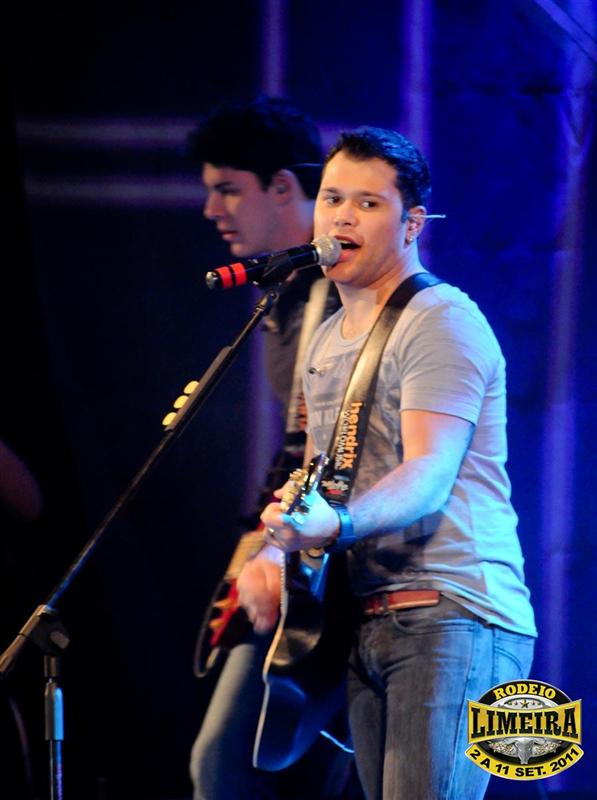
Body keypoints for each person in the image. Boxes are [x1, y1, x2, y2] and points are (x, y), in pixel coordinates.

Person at [259, 127, 537, 800]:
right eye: (332, 199)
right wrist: (278, 542)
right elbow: (326, 479)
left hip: (453, 614)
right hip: (366, 618)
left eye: (368, 203)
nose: (342, 218)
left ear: (412, 223)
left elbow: (428, 474)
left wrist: (335, 524)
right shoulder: (326, 339)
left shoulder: (440, 319)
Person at [187, 97, 352, 800]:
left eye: (228, 189)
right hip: (309, 560)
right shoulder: (286, 294)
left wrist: (276, 551)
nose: (211, 210)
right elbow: (302, 445)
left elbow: (343, 449)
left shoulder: (342, 292)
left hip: (340, 569)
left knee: (222, 765)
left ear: (284, 187)